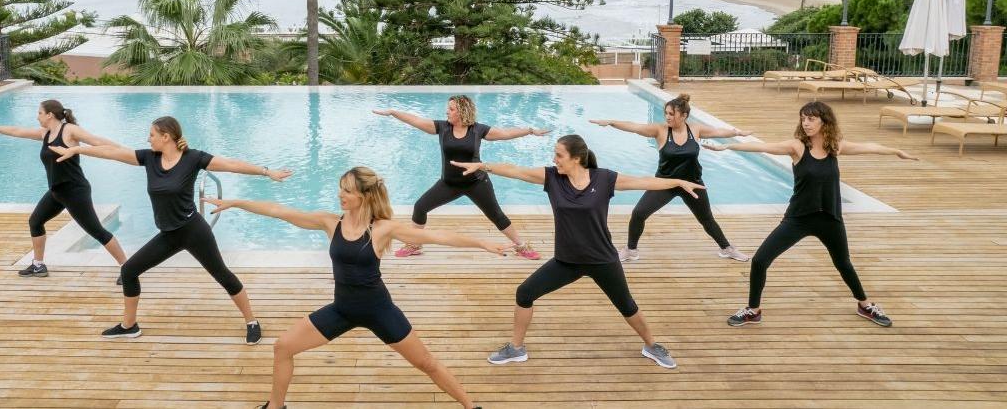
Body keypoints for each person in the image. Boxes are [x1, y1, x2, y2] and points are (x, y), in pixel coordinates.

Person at [205, 166, 502, 409]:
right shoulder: (330, 222)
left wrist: (482, 243)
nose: (340, 195)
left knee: (427, 363)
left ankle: (470, 406)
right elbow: (277, 210)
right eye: (341, 188)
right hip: (342, 310)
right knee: (283, 346)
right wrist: (235, 203)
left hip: (378, 310)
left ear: (363, 195)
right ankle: (275, 407)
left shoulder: (382, 228)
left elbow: (438, 236)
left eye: (346, 190)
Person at [453, 134, 704, 370]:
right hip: (567, 260)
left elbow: (644, 181)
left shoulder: (604, 179)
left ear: (576, 158)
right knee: (525, 293)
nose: (554, 159)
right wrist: (483, 166)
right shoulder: (552, 178)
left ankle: (652, 346)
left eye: (559, 155)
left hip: (602, 259)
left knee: (627, 306)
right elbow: (516, 171)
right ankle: (516, 348)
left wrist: (678, 181)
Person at [50, 116, 292, 342]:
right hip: (168, 235)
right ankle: (129, 326)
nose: (148, 139)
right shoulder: (148, 158)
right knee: (129, 271)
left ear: (166, 137)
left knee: (222, 275)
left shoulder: (193, 158)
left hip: (193, 230)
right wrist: (77, 149)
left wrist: (266, 171)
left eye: (152, 135)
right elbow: (113, 153)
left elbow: (230, 164)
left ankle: (252, 321)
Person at [702, 101, 916, 328]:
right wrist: (727, 147)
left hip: (829, 218)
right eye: (803, 118)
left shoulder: (835, 147)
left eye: (811, 119)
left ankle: (864, 305)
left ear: (825, 121)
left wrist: (895, 151)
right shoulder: (797, 147)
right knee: (760, 260)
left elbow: (868, 147)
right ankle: (753, 310)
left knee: (843, 263)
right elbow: (763, 147)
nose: (806, 123)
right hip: (798, 218)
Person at [373, 95, 549, 260]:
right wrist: (393, 113)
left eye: (451, 109)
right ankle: (414, 244)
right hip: (449, 183)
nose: (447, 112)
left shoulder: (478, 130)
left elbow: (505, 133)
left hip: (476, 182)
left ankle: (521, 246)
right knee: (420, 207)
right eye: (448, 109)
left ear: (462, 111)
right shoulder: (442, 127)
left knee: (496, 215)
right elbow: (416, 120)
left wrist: (530, 131)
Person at [0, 99, 127, 278]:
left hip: (74, 191)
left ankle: (128, 269)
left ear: (50, 115)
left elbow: (95, 140)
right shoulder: (45, 133)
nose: (37, 116)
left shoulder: (69, 130)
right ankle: (38, 265)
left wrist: (121, 149)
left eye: (39, 113)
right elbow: (18, 131)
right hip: (56, 191)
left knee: (96, 231)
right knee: (35, 222)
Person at [591, 92, 750, 262]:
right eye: (666, 113)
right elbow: (635, 127)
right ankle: (631, 250)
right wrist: (611, 122)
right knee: (638, 213)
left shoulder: (695, 129)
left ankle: (727, 249)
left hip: (692, 183)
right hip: (663, 183)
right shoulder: (660, 130)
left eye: (671, 114)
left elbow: (718, 132)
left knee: (706, 219)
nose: (667, 117)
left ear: (684, 116)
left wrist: (737, 132)